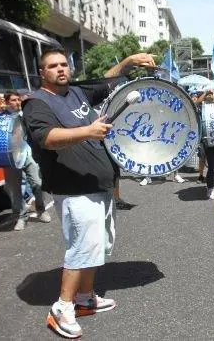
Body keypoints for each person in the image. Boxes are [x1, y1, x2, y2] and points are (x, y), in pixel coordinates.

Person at [22, 48, 155, 338]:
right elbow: (46, 138)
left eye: (63, 64)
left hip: (98, 186)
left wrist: (128, 61)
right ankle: (62, 308)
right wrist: (88, 132)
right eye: (53, 66)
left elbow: (106, 82)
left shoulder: (76, 92)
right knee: (82, 248)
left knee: (97, 245)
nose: (60, 69)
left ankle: (84, 298)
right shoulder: (37, 103)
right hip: (73, 189)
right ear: (42, 73)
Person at [0, 91, 51, 230]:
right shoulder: (1, 115)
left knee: (37, 183)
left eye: (18, 99)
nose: (17, 102)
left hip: (27, 152)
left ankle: (41, 210)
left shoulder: (24, 113)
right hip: (10, 156)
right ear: (7, 102)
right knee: (15, 189)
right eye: (13, 100)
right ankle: (21, 217)